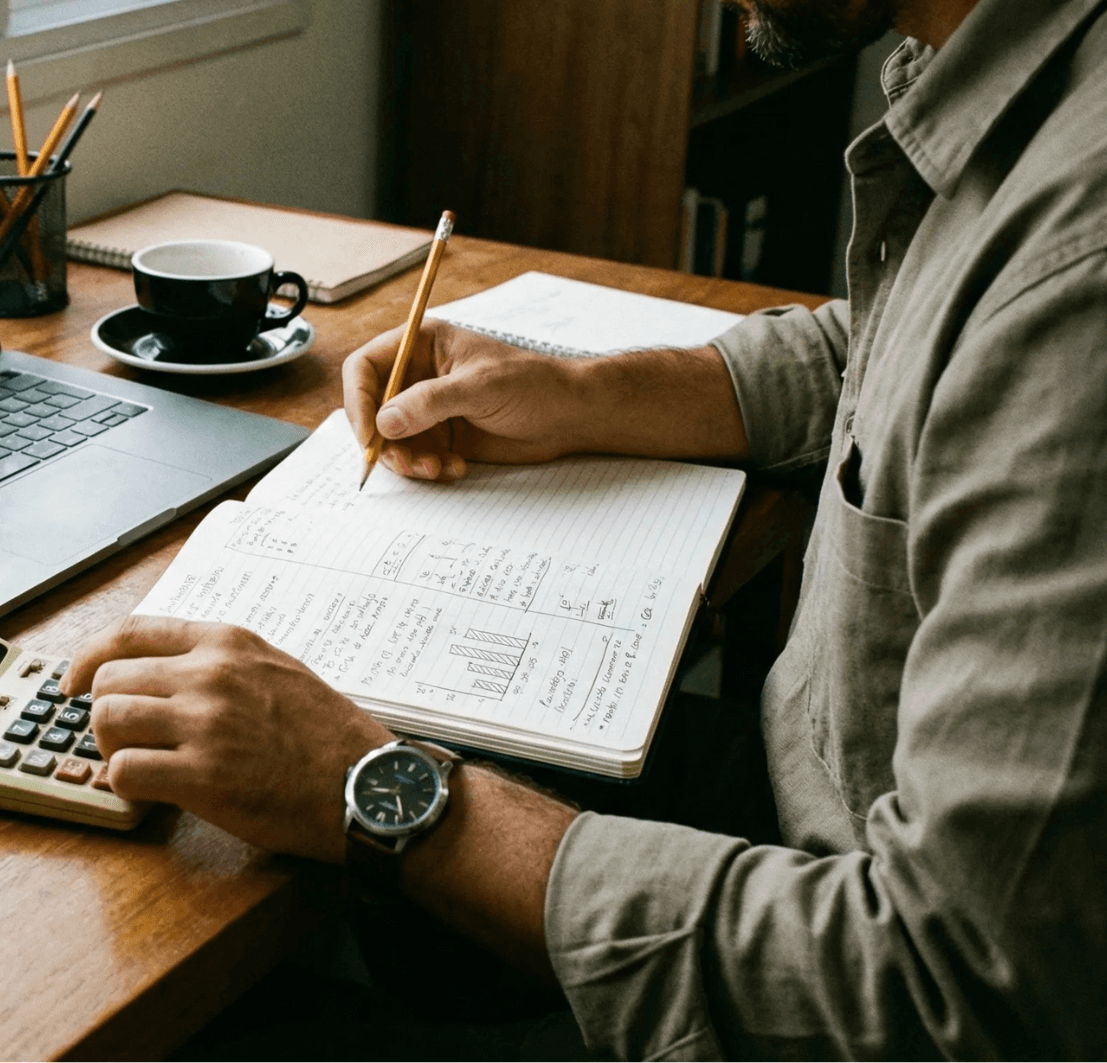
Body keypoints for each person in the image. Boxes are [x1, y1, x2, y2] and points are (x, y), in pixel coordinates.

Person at [60, 0, 1107, 1055]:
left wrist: (372, 782)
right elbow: (888, 345)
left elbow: (952, 993)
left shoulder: (1083, 272)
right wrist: (578, 396)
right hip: (815, 785)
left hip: (849, 937)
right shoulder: (1014, 97)